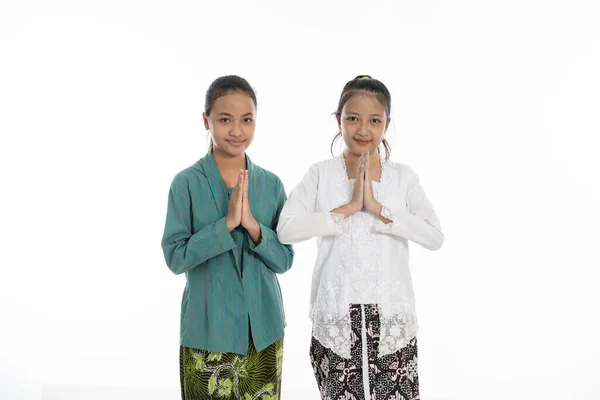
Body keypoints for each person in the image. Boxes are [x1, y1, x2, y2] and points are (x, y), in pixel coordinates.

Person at [276, 75, 444, 400]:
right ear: (338, 120)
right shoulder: (320, 174)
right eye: (352, 118)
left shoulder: (403, 178)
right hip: (337, 314)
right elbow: (286, 228)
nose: (363, 130)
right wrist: (349, 208)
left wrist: (379, 208)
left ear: (387, 123)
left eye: (374, 120)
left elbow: (434, 236)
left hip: (391, 314)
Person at [161, 75, 293, 400]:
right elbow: (176, 257)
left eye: (246, 120)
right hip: (207, 333)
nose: (237, 130)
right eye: (225, 120)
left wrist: (253, 227)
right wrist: (225, 225)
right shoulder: (185, 184)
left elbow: (285, 259)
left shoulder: (272, 185)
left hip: (262, 331)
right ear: (206, 120)